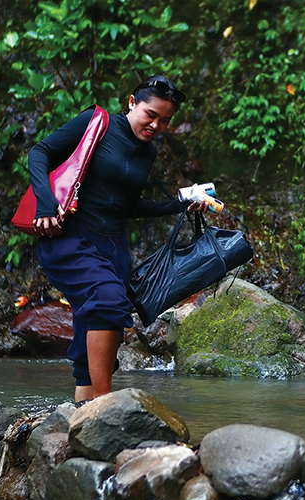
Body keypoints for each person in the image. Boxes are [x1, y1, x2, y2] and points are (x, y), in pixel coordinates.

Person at [28, 75, 206, 402]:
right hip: (70, 239)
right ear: (132, 102)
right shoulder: (97, 123)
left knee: (94, 318)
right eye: (150, 115)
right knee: (108, 302)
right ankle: (106, 405)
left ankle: (83, 411)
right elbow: (40, 153)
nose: (156, 125)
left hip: (113, 248)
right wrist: (45, 202)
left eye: (165, 120)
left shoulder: (146, 153)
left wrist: (179, 204)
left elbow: (127, 205)